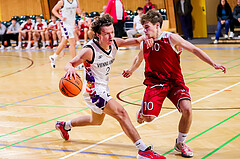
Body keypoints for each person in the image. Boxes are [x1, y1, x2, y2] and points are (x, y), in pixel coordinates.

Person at [55, 14, 165, 159]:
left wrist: (148, 37)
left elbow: (137, 40)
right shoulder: (89, 50)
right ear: (98, 34)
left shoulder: (114, 43)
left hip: (103, 88)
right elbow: (69, 63)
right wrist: (70, 68)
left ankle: (64, 125)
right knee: (122, 113)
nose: (110, 36)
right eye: (106, 33)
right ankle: (143, 150)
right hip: (93, 90)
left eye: (112, 32)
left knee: (95, 121)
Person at [122, 10, 227, 158]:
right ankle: (143, 109)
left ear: (157, 25)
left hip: (175, 82)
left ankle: (180, 143)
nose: (144, 30)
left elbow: (195, 50)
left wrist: (213, 64)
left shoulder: (171, 38)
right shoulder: (145, 42)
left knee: (187, 109)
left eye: (146, 27)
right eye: (143, 27)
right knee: (148, 119)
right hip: (156, 83)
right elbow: (138, 59)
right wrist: (130, 70)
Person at [49, 0, 81, 68]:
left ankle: (53, 57)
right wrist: (60, 17)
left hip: (72, 24)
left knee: (64, 43)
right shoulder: (62, 2)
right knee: (73, 43)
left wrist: (79, 12)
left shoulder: (76, 1)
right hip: (65, 25)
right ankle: (74, 64)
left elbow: (78, 9)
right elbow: (53, 10)